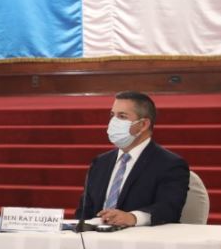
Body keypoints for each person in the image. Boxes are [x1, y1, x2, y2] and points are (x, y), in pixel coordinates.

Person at [76, 91, 189, 227]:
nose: (113, 122)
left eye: (122, 116)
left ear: (143, 124)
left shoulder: (170, 164)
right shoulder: (100, 162)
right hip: (95, 237)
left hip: (141, 237)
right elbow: (83, 212)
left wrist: (133, 217)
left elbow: (169, 209)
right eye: (112, 115)